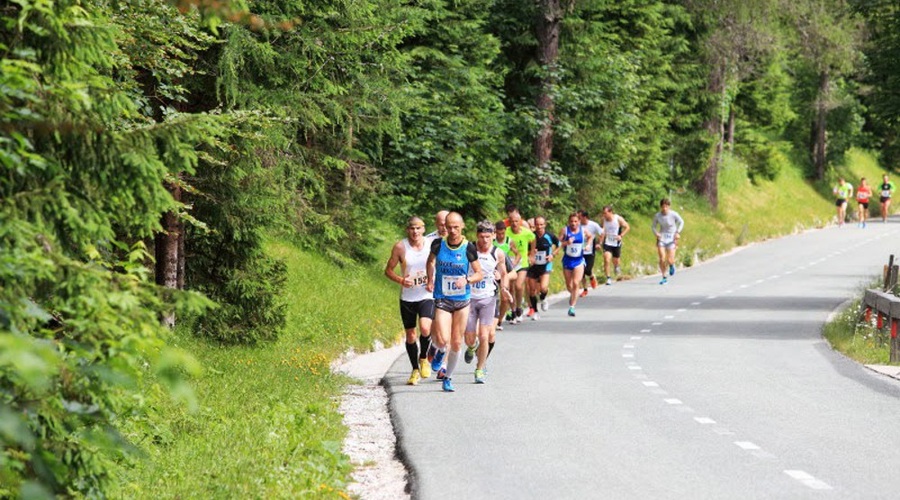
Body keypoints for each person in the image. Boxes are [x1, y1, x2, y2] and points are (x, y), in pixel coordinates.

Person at [426, 212, 483, 392]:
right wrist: (429, 279)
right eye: (448, 226)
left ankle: (448, 378)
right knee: (443, 339)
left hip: (462, 300)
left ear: (462, 226)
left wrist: (467, 280)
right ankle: (441, 350)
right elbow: (430, 262)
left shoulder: (469, 248)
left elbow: (479, 273)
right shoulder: (438, 244)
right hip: (442, 298)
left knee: (457, 342)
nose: (452, 230)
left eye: (456, 227)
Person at [384, 217, 434, 385]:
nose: (415, 232)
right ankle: (414, 370)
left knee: (426, 328)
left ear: (424, 229)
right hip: (408, 297)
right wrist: (400, 280)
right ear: (407, 230)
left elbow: (439, 263)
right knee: (411, 335)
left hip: (426, 294)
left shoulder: (430, 244)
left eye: (418, 228)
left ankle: (423, 358)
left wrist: (433, 280)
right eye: (412, 228)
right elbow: (388, 271)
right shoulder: (400, 247)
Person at [463, 221, 507, 383]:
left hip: (488, 298)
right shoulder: (469, 248)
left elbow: (504, 273)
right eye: (482, 237)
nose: (485, 240)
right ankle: (472, 347)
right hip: (468, 298)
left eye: (488, 237)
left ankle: (480, 368)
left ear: (494, 236)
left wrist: (503, 285)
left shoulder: (498, 253)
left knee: (484, 335)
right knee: (469, 338)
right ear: (477, 236)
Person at [526, 216, 559, 319]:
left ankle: (543, 298)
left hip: (545, 264)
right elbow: (524, 251)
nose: (539, 227)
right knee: (532, 290)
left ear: (545, 225)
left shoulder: (549, 235)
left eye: (541, 224)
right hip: (533, 265)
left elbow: (559, 245)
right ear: (534, 225)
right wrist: (531, 253)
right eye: (537, 225)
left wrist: (552, 255)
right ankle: (535, 312)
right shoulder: (531, 236)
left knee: (543, 288)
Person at [506, 210, 535, 324]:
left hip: (522, 263)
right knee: (511, 288)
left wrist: (532, 254)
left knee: (519, 286)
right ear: (509, 222)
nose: (514, 223)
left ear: (520, 221)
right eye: (512, 221)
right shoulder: (506, 232)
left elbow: (533, 239)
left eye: (516, 221)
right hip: (510, 263)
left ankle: (519, 307)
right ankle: (513, 310)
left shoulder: (526, 232)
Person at [559, 213, 591, 317]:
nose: (573, 223)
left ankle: (572, 307)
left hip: (579, 260)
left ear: (579, 222)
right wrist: (566, 242)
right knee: (569, 285)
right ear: (569, 222)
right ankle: (573, 294)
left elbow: (590, 237)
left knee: (576, 283)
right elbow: (559, 244)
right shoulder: (565, 230)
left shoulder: (583, 231)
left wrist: (588, 245)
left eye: (575, 221)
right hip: (567, 260)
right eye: (571, 221)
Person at [492, 220, 519, 330]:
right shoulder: (491, 243)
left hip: (505, 269)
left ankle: (501, 319)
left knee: (508, 292)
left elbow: (518, 254)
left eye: (502, 233)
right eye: (498, 233)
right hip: (492, 273)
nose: (500, 235)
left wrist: (513, 264)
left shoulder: (509, 241)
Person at [652, 198, 685, 285]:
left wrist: (677, 232)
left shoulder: (674, 214)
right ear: (661, 207)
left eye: (666, 206)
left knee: (670, 259)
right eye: (663, 207)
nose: (664, 208)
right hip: (662, 238)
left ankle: (671, 265)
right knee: (662, 258)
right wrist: (656, 233)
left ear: (669, 207)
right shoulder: (657, 216)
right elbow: (653, 226)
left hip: (672, 238)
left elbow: (681, 222)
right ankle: (664, 277)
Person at [599, 205, 630, 285]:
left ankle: (616, 266)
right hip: (607, 242)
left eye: (605, 213)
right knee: (607, 259)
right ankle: (608, 278)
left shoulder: (618, 219)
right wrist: (600, 242)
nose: (604, 215)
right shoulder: (603, 220)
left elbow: (627, 227)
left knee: (616, 260)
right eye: (603, 213)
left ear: (610, 212)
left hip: (616, 242)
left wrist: (621, 235)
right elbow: (602, 231)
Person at [577, 210, 603, 296]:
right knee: (581, 272)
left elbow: (602, 233)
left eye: (579, 217)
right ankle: (585, 289)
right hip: (579, 252)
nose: (578, 219)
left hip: (590, 251)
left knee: (587, 270)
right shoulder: (577, 225)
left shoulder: (593, 225)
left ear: (584, 217)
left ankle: (591, 276)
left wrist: (599, 243)